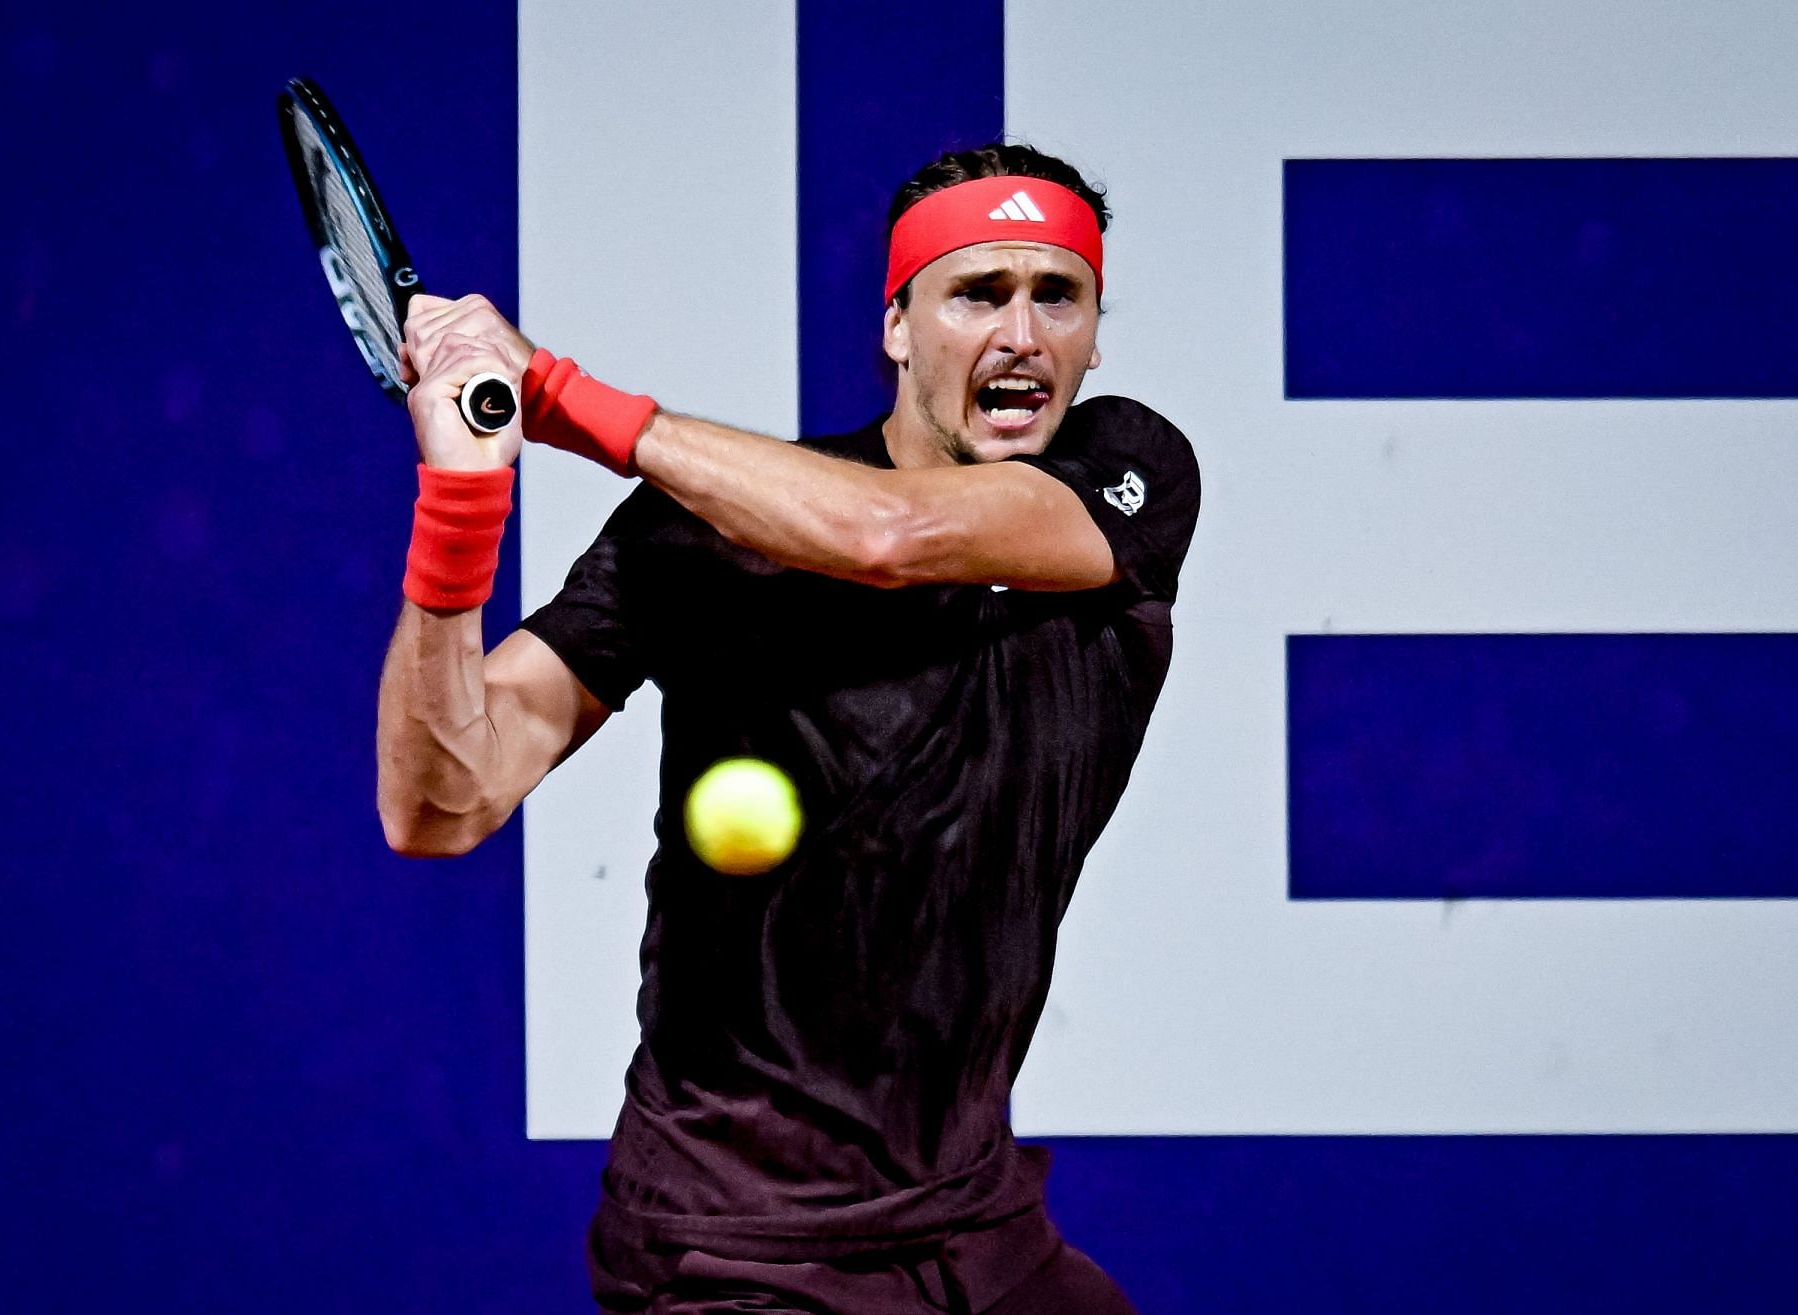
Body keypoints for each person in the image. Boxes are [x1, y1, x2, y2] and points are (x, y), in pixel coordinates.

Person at [377, 144, 1202, 1313]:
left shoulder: (1131, 473)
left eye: (1056, 295)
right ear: (899, 327)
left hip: (975, 1223)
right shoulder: (696, 533)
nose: (1023, 334)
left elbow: (888, 536)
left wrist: (563, 397)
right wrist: (459, 507)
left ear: (1095, 335)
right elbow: (440, 803)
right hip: (737, 1243)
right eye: (977, 294)